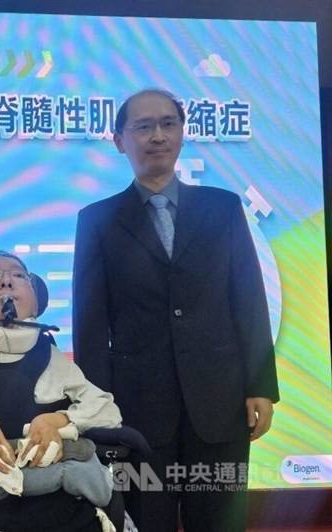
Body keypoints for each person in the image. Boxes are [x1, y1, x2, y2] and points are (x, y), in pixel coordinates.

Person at [72, 88, 279, 531]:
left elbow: (247, 298)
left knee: (221, 520)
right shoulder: (97, 220)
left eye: (168, 123)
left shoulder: (222, 208)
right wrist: (96, 409)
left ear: (183, 133)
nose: (157, 135)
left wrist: (260, 384)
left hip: (220, 400)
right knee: (146, 520)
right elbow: (89, 325)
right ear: (119, 140)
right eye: (143, 126)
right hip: (136, 409)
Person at [0, 250, 121, 509]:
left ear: (35, 303)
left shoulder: (50, 355)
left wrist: (57, 421)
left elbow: (106, 410)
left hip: (49, 501)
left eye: (20, 276)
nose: (7, 281)